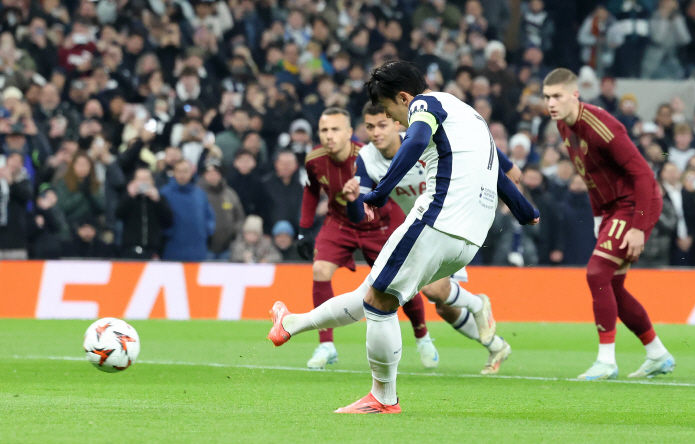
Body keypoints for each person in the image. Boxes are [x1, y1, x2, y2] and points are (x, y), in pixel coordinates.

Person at [272, 61, 537, 413]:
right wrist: (524, 211)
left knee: (379, 304)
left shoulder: (424, 105)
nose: (397, 122)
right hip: (469, 237)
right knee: (372, 292)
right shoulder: (470, 115)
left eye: (392, 112)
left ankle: (383, 397)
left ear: (403, 96)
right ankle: (292, 324)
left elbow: (413, 141)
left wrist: (381, 192)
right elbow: (497, 174)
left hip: (436, 219)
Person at [543, 68, 675, 381]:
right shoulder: (564, 125)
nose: (551, 103)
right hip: (613, 208)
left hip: (635, 204)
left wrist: (638, 228)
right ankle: (658, 354)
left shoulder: (602, 126)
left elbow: (644, 175)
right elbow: (589, 176)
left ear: (575, 95)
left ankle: (606, 361)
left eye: (557, 96)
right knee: (613, 285)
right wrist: (598, 218)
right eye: (547, 97)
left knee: (596, 273)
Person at [293, 107, 436, 370]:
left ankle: (423, 336)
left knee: (397, 283)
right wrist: (304, 228)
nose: (329, 136)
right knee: (320, 270)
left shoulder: (368, 157)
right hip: (338, 223)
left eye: (335, 129)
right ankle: (326, 345)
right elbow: (312, 191)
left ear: (349, 132)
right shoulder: (314, 160)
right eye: (324, 130)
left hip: (378, 225)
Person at [160, 159, 215, 262]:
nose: (182, 175)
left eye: (185, 171)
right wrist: (168, 233)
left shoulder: (200, 194)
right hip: (172, 249)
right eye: (179, 171)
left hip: (198, 250)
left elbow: (209, 216)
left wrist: (206, 230)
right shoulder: (165, 194)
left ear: (191, 172)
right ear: (174, 173)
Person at [116, 167, 174, 260]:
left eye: (146, 179)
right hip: (130, 249)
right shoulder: (127, 197)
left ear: (152, 181)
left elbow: (168, 220)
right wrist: (130, 196)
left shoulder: (159, 198)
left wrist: (157, 201)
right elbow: (118, 215)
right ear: (134, 181)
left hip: (152, 250)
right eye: (140, 179)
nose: (143, 183)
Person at [199, 159, 245, 260]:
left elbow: (239, 217)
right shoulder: (198, 194)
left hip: (227, 247)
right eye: (209, 173)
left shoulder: (230, 193)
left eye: (215, 173)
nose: (212, 176)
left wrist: (235, 234)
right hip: (205, 247)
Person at [0, 150, 33, 259]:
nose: (14, 163)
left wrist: (11, 182)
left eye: (18, 161)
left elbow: (26, 196)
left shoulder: (24, 181)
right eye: (12, 160)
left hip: (16, 240)